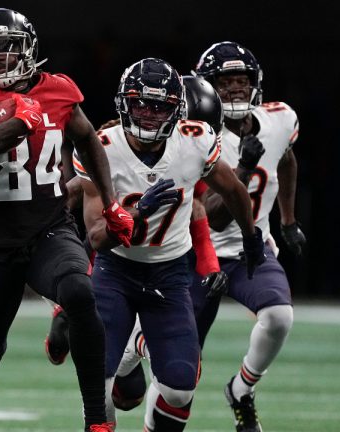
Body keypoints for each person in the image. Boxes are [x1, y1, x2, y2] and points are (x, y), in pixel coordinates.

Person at [0, 8, 133, 432]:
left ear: (29, 49)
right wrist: (12, 125)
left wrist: (111, 203)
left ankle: (97, 420)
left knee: (80, 291)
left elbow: (89, 140)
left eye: (9, 46)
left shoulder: (58, 90)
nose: (0, 56)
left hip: (49, 229)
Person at [75, 57, 263, 431]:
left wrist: (250, 234)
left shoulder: (195, 141)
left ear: (176, 109)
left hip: (170, 274)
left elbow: (234, 189)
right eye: (140, 103)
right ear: (123, 104)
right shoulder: (103, 148)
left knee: (179, 386)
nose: (148, 114)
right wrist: (135, 217)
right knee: (100, 383)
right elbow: (96, 236)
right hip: (116, 270)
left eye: (159, 106)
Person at [191, 41, 305, 432]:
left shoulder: (278, 120)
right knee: (177, 372)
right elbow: (215, 220)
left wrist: (287, 221)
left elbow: (287, 159)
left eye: (242, 81)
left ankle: (242, 389)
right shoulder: (197, 135)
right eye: (225, 83)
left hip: (249, 252)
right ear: (208, 88)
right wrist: (242, 169)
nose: (236, 89)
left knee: (278, 317)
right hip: (195, 255)